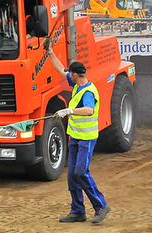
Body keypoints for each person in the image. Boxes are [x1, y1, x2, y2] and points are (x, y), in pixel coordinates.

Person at [43, 38, 111, 224]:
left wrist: (69, 111)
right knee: (73, 174)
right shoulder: (78, 84)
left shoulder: (88, 92)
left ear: (75, 75)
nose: (67, 75)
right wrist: (49, 52)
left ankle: (101, 206)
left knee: (81, 172)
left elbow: (89, 110)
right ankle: (77, 211)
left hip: (86, 139)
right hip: (75, 138)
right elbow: (59, 68)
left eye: (70, 73)